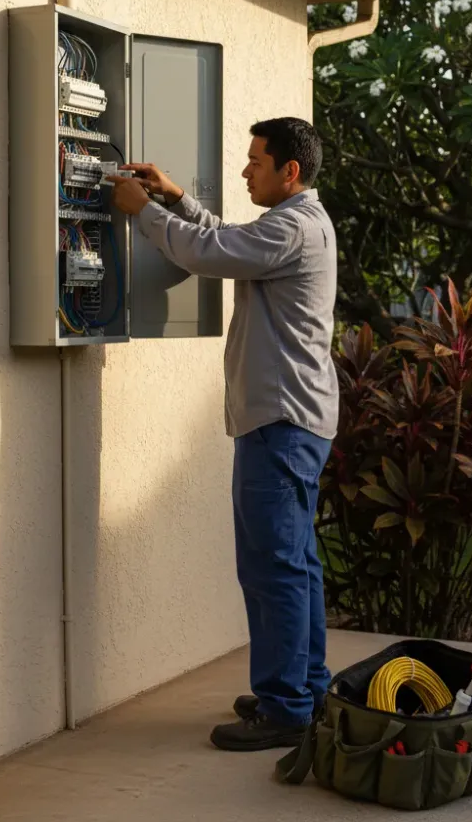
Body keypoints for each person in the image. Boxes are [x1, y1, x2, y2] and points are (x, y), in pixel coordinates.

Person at [106, 117, 338, 752]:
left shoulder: (292, 226)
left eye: (255, 162)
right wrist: (177, 200)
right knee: (296, 567)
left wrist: (142, 215)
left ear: (289, 172)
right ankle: (304, 688)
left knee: (273, 569)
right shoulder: (295, 223)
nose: (245, 171)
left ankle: (285, 706)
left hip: (281, 424)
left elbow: (210, 255)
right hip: (292, 421)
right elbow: (231, 238)